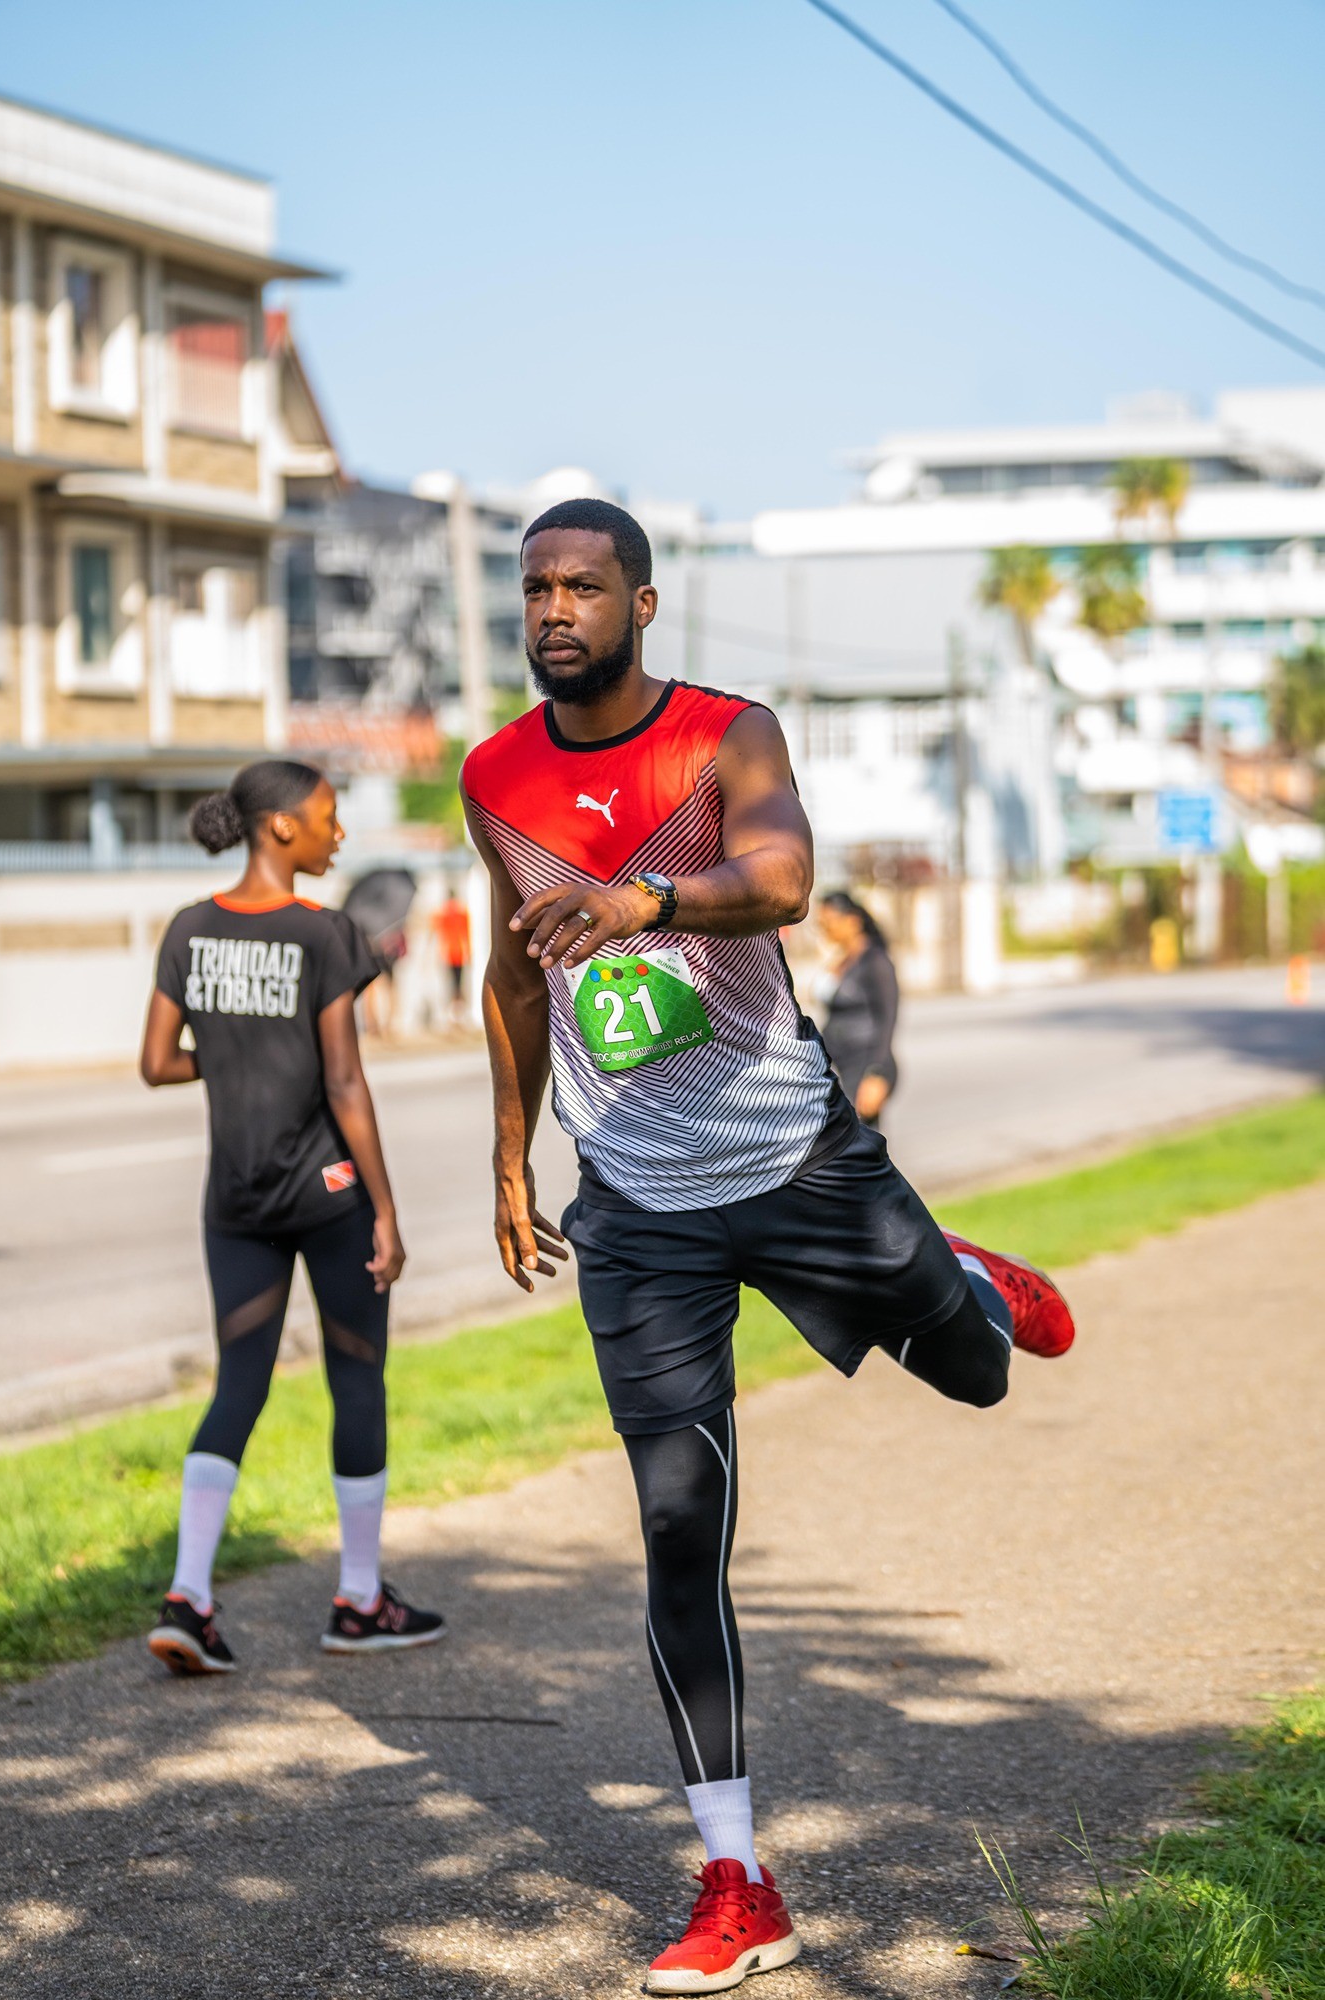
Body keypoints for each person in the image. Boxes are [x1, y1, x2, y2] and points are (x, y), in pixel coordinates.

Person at [461, 498, 1075, 1995]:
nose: (553, 610)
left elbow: (785, 880)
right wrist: (509, 1152)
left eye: (582, 586)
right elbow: (514, 973)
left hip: (799, 1163)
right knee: (680, 1526)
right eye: (534, 587)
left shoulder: (725, 735)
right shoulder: (493, 776)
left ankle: (964, 1276)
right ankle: (735, 1877)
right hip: (637, 1207)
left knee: (979, 1376)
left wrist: (644, 898)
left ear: (639, 604)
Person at [141, 758, 443, 1675]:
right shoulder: (323, 932)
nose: (337, 833)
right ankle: (358, 1600)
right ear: (281, 827)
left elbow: (157, 1062)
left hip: (234, 1202)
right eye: (327, 816)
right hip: (327, 1196)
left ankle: (188, 1598)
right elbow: (345, 1081)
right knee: (357, 1379)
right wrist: (386, 1210)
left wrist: (233, 1057)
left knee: (238, 1385)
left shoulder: (189, 929)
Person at [817, 889, 899, 1126]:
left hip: (865, 1064)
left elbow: (888, 1018)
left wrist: (876, 1074)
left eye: (829, 922)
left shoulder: (876, 961)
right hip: (837, 1064)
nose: (824, 929)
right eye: (820, 924)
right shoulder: (841, 960)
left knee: (860, 1136)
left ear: (852, 920)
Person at [432, 885, 472, 1025]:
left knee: (451, 983)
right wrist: (468, 952)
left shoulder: (443, 914)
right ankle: (458, 1012)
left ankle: (455, 1013)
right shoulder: (462, 913)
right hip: (459, 952)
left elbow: (438, 932)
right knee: (458, 983)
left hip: (449, 952)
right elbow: (466, 934)